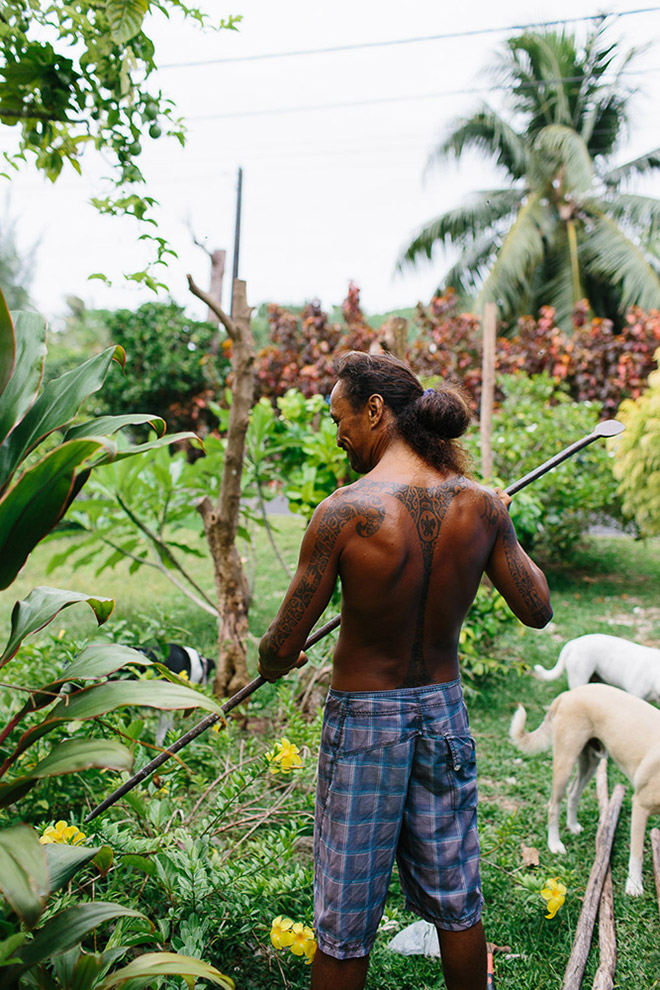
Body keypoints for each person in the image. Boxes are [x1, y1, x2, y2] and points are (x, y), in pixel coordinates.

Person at [258, 351, 552, 990]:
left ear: (375, 410)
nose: (338, 434)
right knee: (457, 902)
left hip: (366, 726)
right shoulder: (479, 504)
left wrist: (278, 657)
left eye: (341, 419)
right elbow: (537, 607)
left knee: (345, 920)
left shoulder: (345, 511)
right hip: (442, 713)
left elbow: (280, 648)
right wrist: (501, 519)